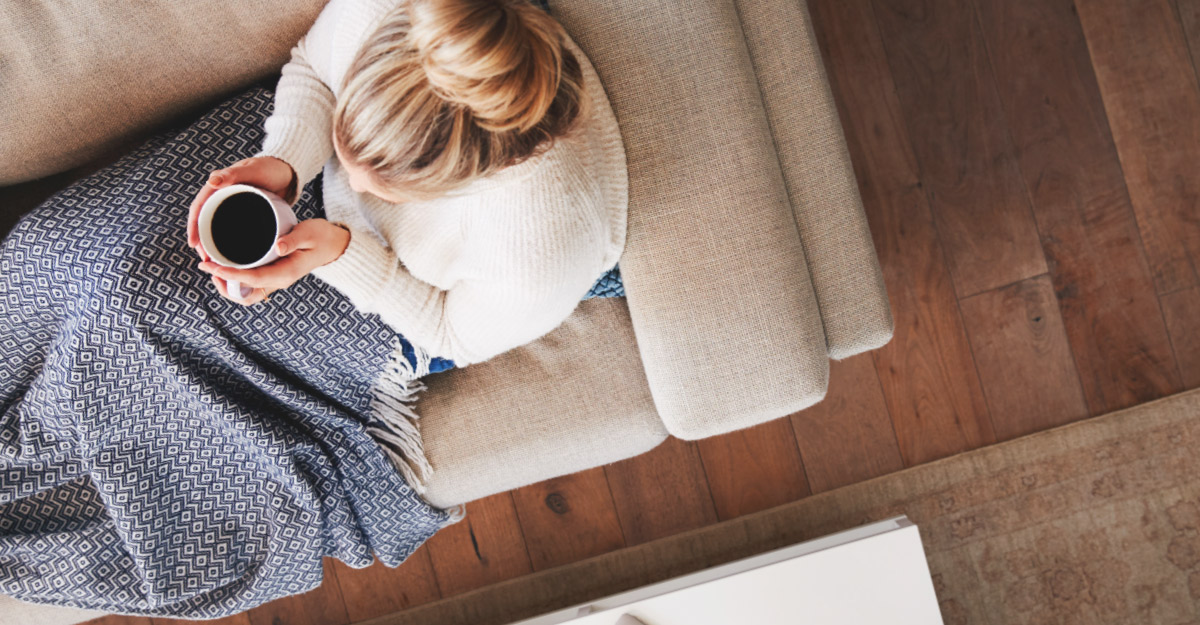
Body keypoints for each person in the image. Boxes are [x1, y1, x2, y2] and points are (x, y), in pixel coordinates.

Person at [187, 0, 628, 368]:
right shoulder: (382, 9)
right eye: (347, 146)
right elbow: (314, 68)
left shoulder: (538, 251)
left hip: (422, 302)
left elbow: (449, 334)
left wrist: (342, 255)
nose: (354, 184)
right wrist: (285, 159)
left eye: (383, 186)